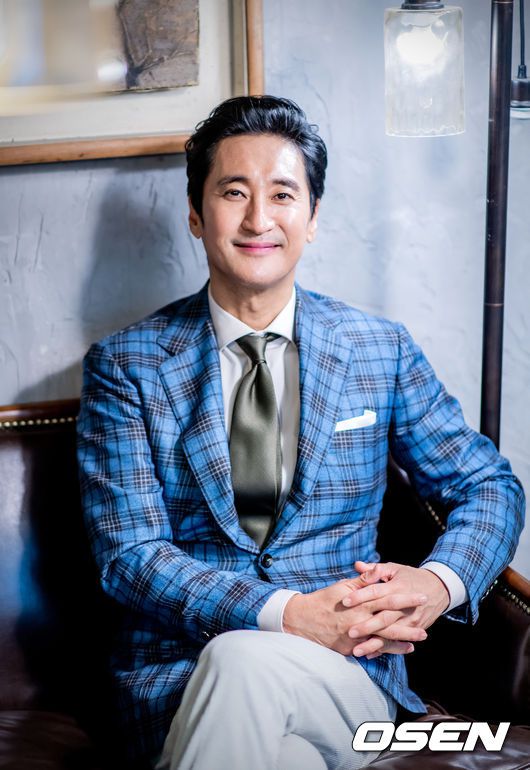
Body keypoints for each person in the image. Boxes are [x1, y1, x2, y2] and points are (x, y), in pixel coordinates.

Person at [76, 95, 525, 770]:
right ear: (196, 213)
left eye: (283, 194)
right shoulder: (127, 367)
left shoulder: (378, 350)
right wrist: (286, 612)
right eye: (234, 192)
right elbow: (131, 555)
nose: (259, 219)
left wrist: (437, 584)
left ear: (312, 217)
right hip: (181, 677)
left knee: (243, 670)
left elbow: (489, 485)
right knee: (270, 726)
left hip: (347, 672)